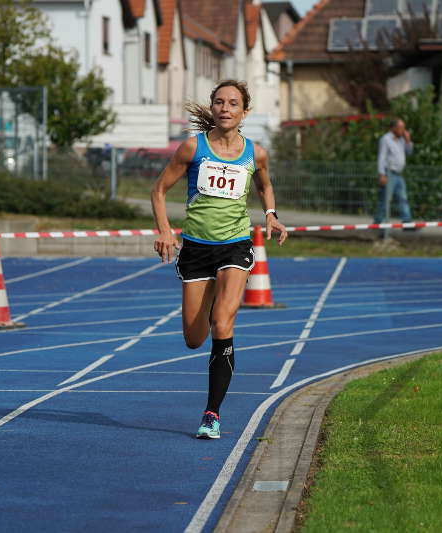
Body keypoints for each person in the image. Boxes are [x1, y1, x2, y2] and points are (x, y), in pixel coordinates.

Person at [151, 80, 287, 439]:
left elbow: (264, 184)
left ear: (244, 111)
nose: (225, 108)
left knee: (222, 326)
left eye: (232, 103)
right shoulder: (192, 149)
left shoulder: (255, 153)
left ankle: (211, 414)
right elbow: (159, 190)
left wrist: (270, 213)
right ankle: (212, 301)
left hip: (235, 245)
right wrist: (165, 230)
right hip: (196, 249)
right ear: (212, 108)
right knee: (194, 339)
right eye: (219, 102)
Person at [375, 118, 414, 227]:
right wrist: (381, 174)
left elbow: (409, 152)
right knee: (385, 199)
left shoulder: (402, 140)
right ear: (394, 128)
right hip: (389, 173)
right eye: (401, 128)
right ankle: (378, 222)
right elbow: (381, 157)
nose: (403, 130)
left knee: (403, 198)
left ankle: (407, 223)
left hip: (399, 174)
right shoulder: (386, 139)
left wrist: (408, 141)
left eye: (403, 128)